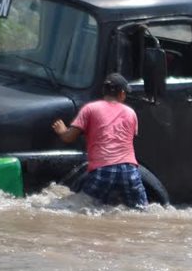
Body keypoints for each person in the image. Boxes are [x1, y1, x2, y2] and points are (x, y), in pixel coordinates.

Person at [52, 73, 147, 208]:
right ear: (121, 93)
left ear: (104, 91)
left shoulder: (90, 109)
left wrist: (61, 131)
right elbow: (128, 138)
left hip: (103, 169)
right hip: (129, 169)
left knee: (81, 208)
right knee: (141, 209)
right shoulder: (131, 113)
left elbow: (69, 137)